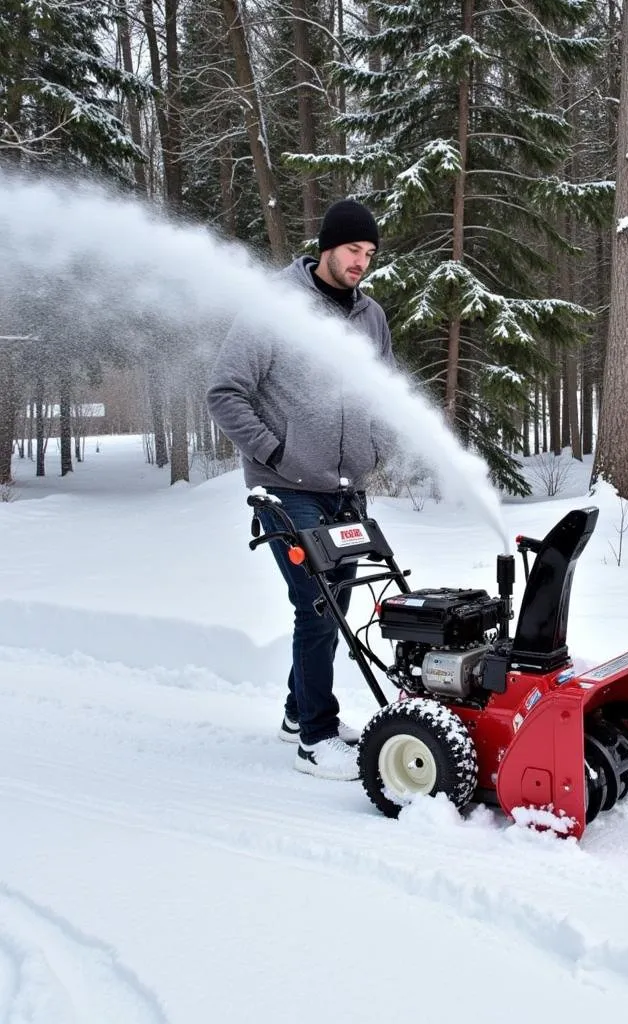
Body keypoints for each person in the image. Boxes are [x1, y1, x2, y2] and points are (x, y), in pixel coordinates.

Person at [207, 198, 395, 781]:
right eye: (352, 251)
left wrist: (378, 447)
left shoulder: (370, 317)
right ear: (326, 246)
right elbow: (225, 393)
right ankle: (315, 734)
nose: (360, 263)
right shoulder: (277, 308)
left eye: (369, 254)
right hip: (286, 487)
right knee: (317, 604)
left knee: (337, 603)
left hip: (345, 487)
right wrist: (277, 452)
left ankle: (298, 709)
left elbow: (386, 391)